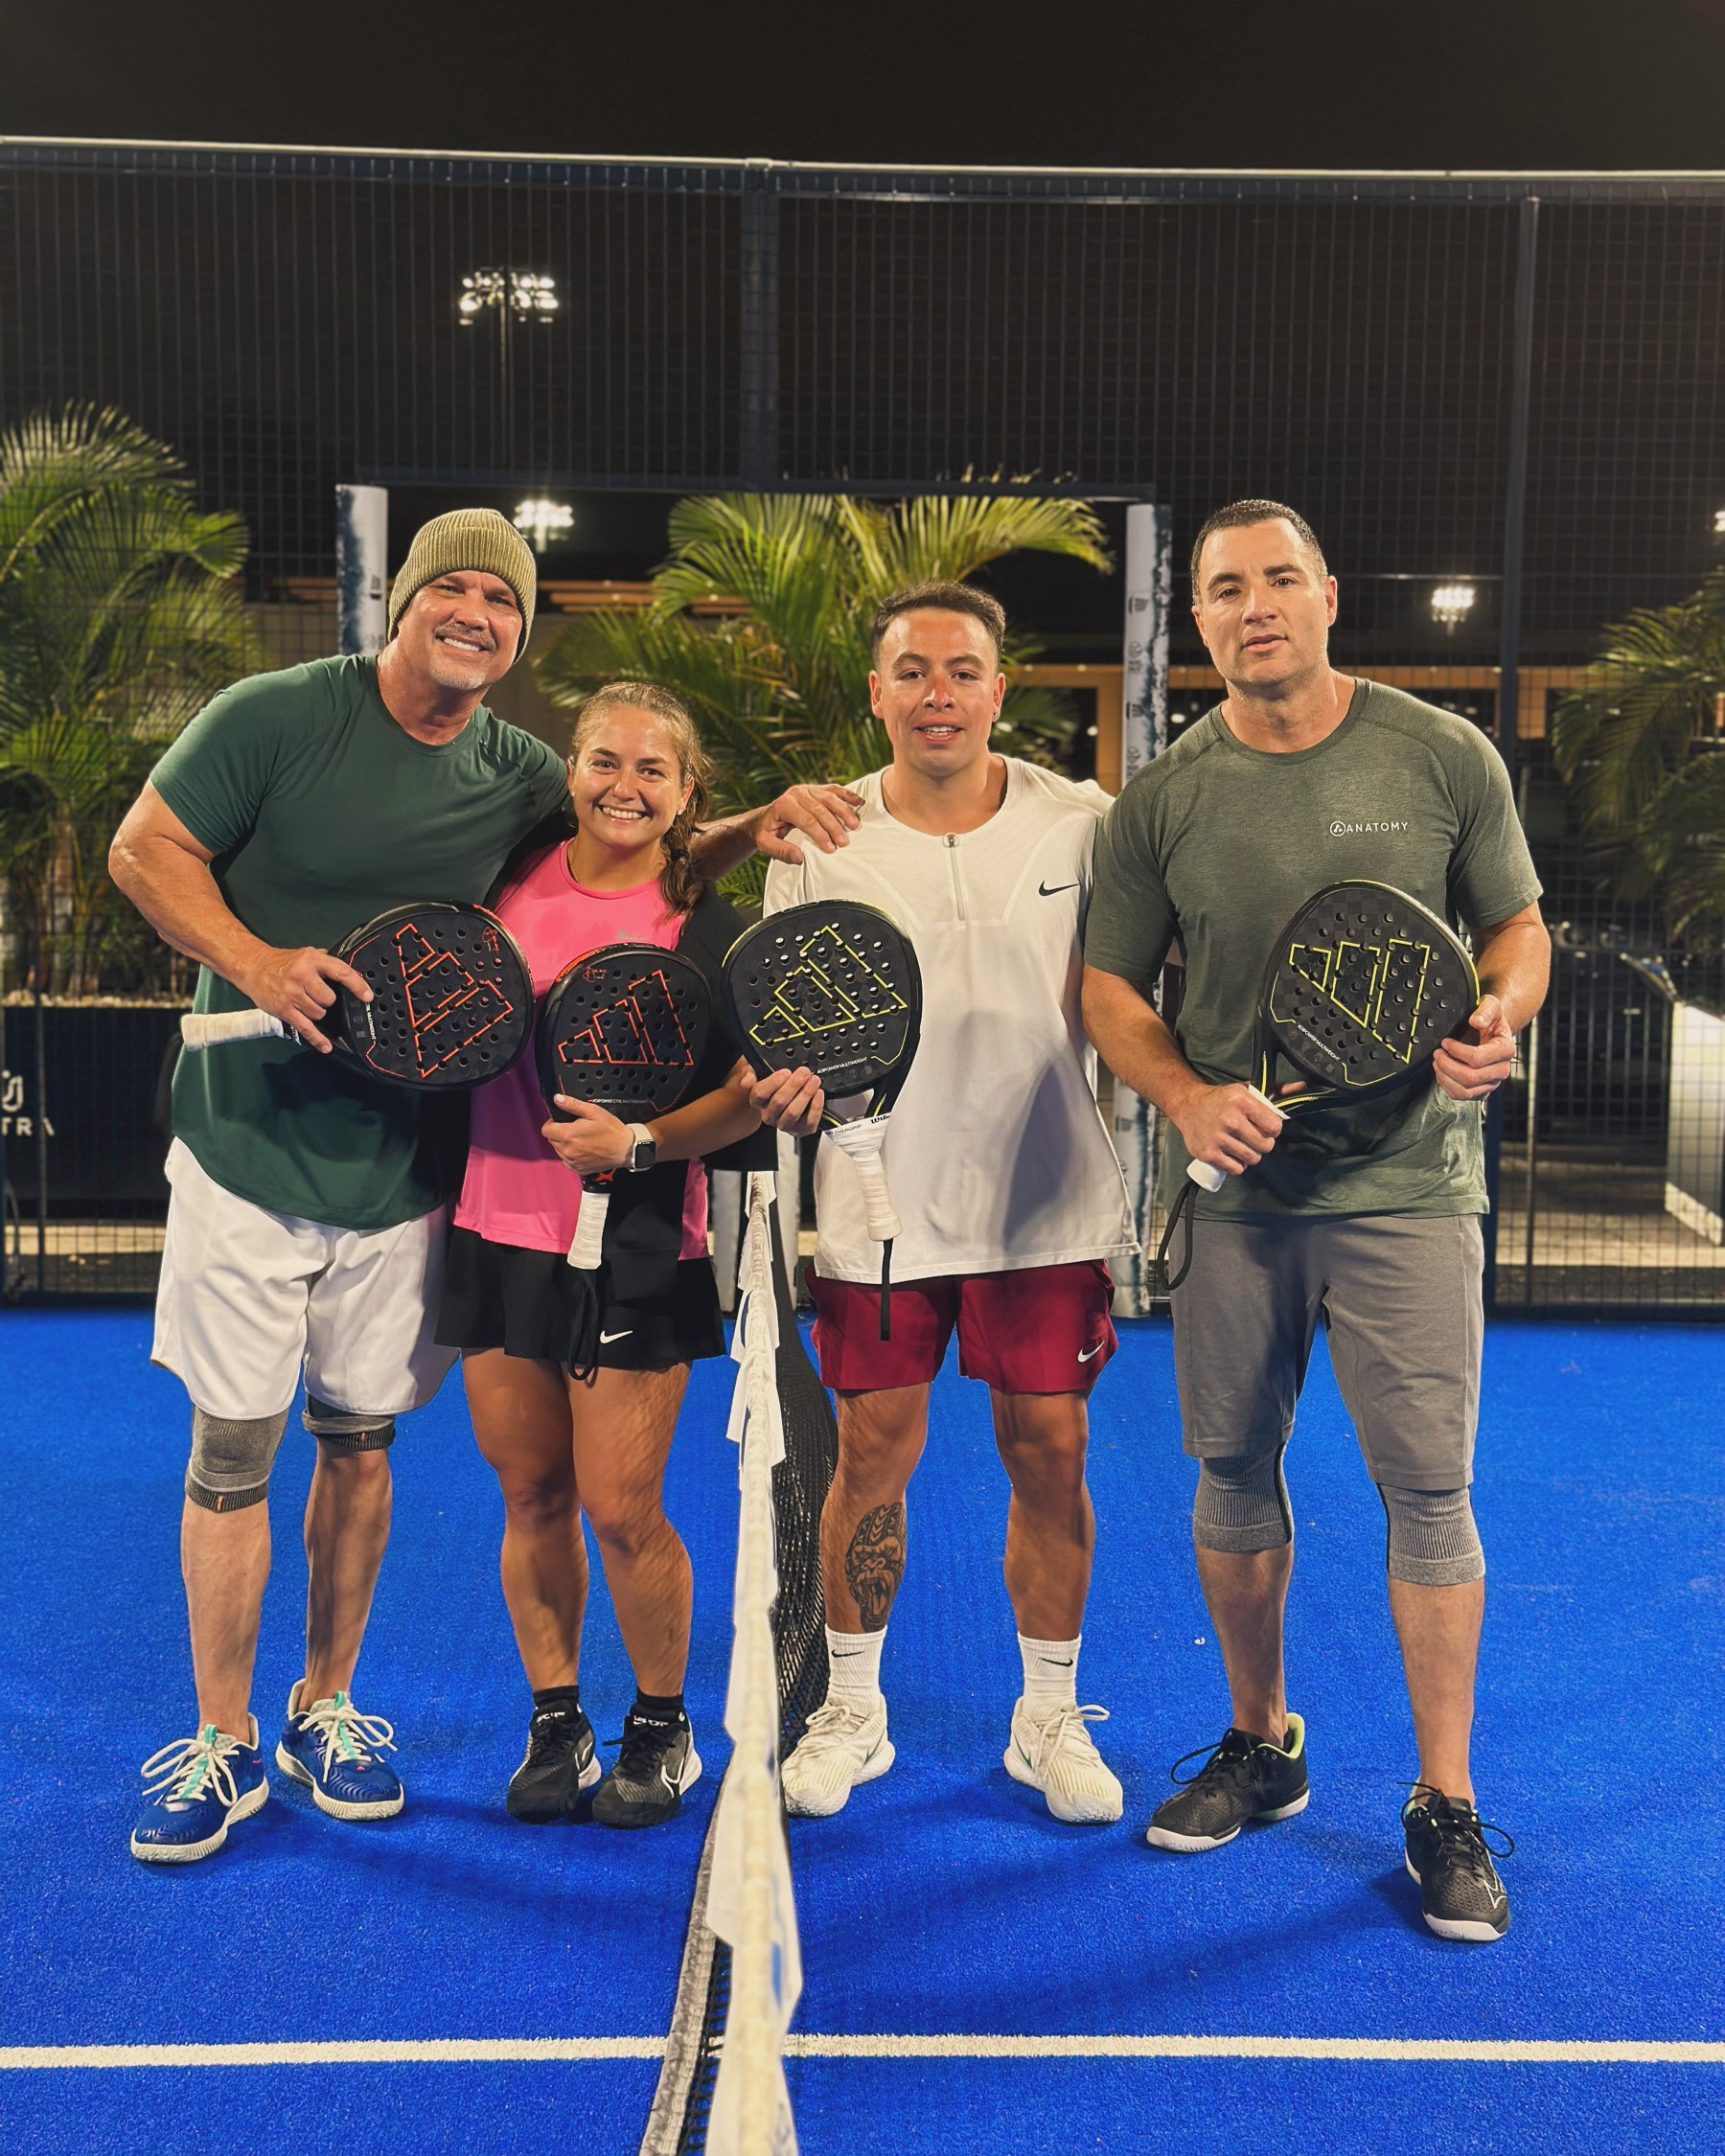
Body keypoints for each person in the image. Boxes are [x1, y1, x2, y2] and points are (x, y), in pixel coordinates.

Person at [109, 509, 858, 1864]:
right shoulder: (338, 753)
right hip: (358, 1184)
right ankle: (267, 1736)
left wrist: (755, 835)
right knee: (329, 1466)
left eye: (501, 598)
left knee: (460, 1467)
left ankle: (463, 1712)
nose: (474, 612)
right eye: (448, 586)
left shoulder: (603, 843)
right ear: (400, 602)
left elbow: (671, 895)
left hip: (514, 1208)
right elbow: (145, 850)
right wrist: (259, 963)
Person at [1082, 500, 1550, 1941]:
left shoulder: (1440, 753)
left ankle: (1446, 1801)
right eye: (1227, 588)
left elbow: (1517, 927)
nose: (1256, 606)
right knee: (1231, 1468)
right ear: (1200, 621)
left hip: (1410, 1187)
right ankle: (1260, 1741)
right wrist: (1182, 1094)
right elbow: (1107, 989)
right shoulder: (1166, 796)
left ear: (1329, 595)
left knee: (1429, 1491)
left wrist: (1500, 1014)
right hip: (1242, 1200)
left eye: (1280, 578)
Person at [750, 581, 1138, 1826]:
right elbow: (783, 1034)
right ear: (877, 692)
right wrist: (788, 1089)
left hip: (1044, 1206)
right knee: (871, 1454)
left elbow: (1145, 988)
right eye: (912, 671)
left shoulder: (1085, 825)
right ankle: (854, 1708)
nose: (938, 693)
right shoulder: (822, 838)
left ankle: (1048, 1714)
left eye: (963, 670)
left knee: (1052, 1451)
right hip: (880, 1206)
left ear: (999, 689)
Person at [436, 681, 771, 1829]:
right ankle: (557, 1722)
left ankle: (663, 1726)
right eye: (604, 762)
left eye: (652, 770)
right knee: (531, 1492)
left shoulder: (705, 920)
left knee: (623, 1507)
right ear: (571, 771)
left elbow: (748, 1094)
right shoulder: (507, 876)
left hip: (636, 1242)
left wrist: (640, 1143)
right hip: (494, 1224)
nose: (624, 787)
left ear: (688, 794)